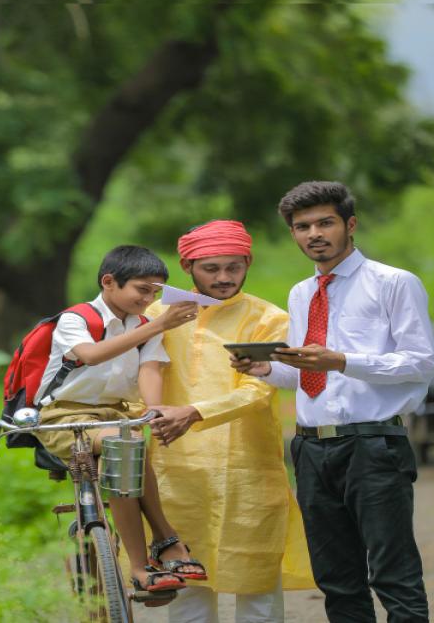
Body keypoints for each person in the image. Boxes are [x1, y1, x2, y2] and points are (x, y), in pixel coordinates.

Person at [234, 181, 434, 622]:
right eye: (301, 226)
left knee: (393, 572)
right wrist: (268, 368)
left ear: (350, 224)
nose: (314, 234)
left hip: (374, 444)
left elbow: (421, 363)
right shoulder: (301, 293)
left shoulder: (393, 283)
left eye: (325, 222)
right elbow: (312, 373)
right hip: (311, 448)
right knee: (336, 577)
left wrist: (343, 360)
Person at [142, 220, 314, 623]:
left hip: (247, 471)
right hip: (175, 469)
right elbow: (136, 375)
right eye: (212, 268)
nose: (224, 278)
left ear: (248, 263)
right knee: (187, 585)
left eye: (234, 267)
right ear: (188, 266)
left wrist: (195, 412)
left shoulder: (268, 319)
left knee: (256, 583)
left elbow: (258, 392)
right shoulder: (156, 314)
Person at [34, 245, 207, 596]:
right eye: (142, 290)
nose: (148, 299)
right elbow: (91, 355)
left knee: (127, 445)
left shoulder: (143, 326)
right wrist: (159, 323)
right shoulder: (77, 319)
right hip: (65, 416)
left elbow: (150, 370)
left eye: (155, 293)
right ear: (109, 282)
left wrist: (155, 411)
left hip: (116, 413)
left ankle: (157, 547)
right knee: (125, 444)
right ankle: (152, 554)